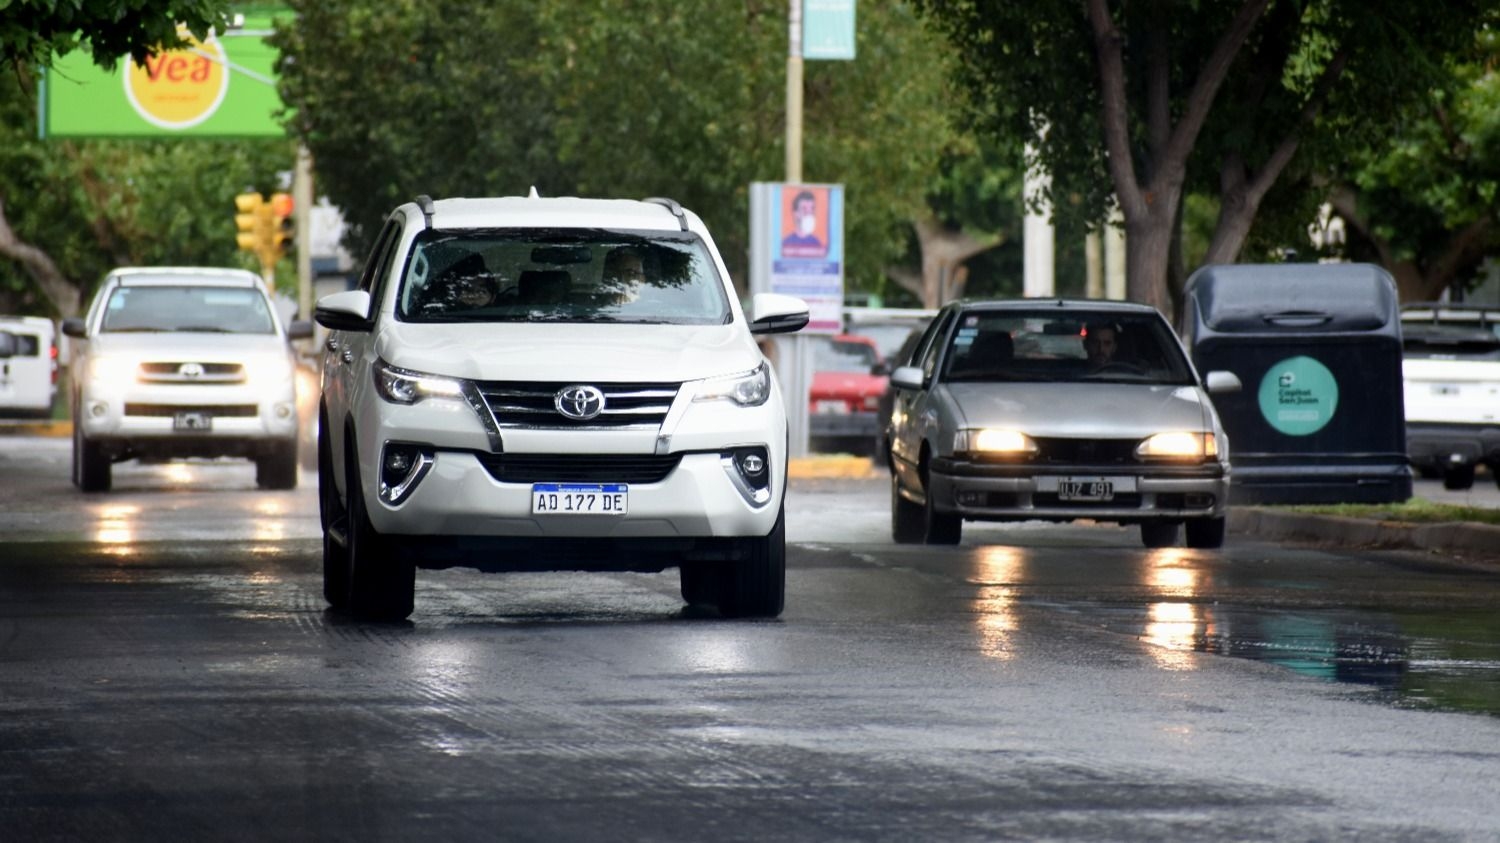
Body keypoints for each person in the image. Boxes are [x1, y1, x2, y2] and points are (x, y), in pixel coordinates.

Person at [781, 190, 826, 258]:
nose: (809, 212)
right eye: (804, 209)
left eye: (812, 208)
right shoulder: (786, 243)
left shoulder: (816, 243)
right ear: (796, 213)